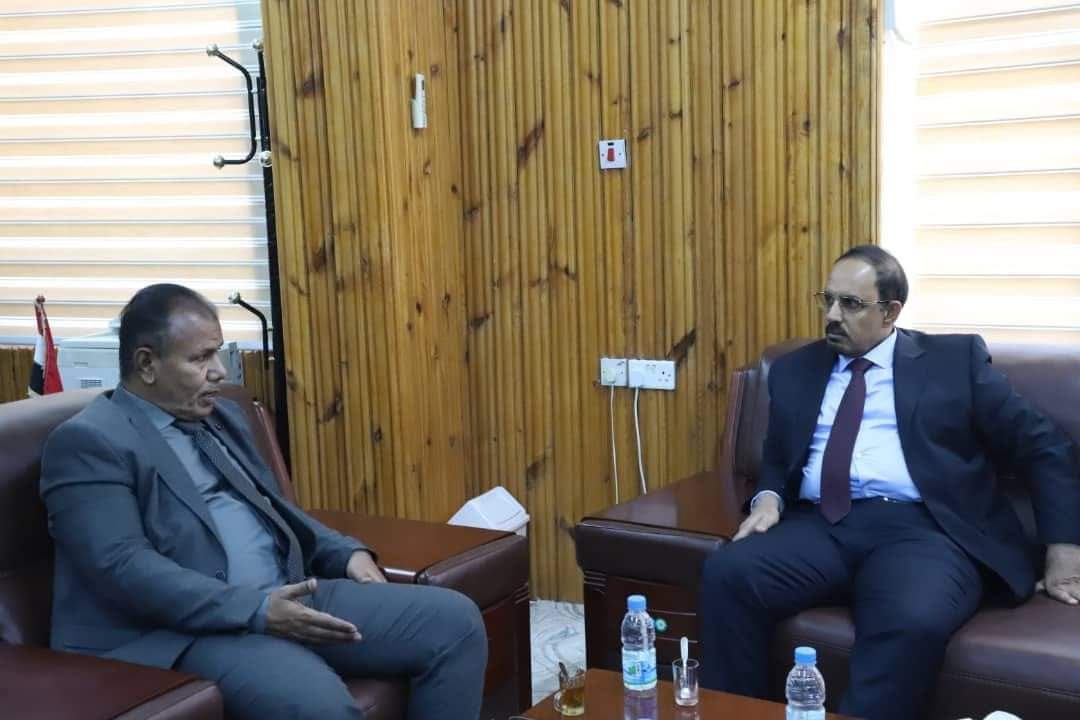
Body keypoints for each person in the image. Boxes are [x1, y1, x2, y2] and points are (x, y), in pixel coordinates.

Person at [40, 284, 487, 720]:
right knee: (319, 707)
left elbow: (274, 507)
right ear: (146, 364)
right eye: (200, 358)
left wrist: (344, 552)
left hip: (286, 593)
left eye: (217, 353)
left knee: (455, 622)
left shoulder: (221, 417)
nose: (219, 372)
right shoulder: (90, 442)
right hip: (184, 629)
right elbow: (122, 568)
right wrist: (253, 610)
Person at [698, 246, 1080, 719]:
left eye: (851, 304)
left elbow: (1044, 446)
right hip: (820, 525)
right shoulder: (796, 370)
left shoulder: (952, 362)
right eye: (827, 300)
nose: (832, 316)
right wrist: (769, 497)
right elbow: (777, 457)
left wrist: (1065, 548)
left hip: (923, 532)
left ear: (891, 312)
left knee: (910, 618)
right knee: (727, 574)